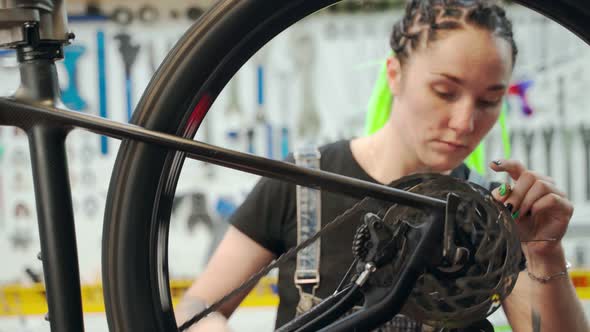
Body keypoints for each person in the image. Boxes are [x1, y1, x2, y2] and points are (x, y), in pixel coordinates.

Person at [176, 0, 589, 331]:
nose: (465, 123)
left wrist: (543, 253)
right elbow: (194, 307)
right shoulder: (302, 182)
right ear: (394, 73)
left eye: (488, 101)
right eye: (445, 91)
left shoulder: (491, 215)